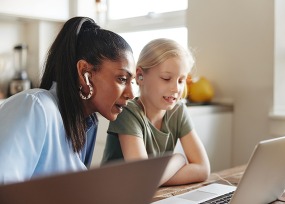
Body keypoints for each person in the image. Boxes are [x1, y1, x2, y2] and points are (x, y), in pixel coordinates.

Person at [0, 16, 135, 185]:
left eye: (133, 81)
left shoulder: (87, 123)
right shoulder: (36, 106)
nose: (131, 93)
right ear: (85, 72)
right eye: (122, 79)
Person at [102, 38, 210, 186]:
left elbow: (203, 169)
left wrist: (155, 179)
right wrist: (178, 159)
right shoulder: (127, 112)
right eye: (166, 78)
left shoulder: (178, 111)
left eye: (181, 80)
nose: (176, 89)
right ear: (140, 76)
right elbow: (143, 178)